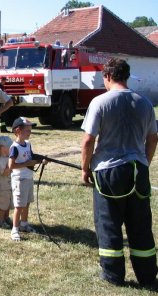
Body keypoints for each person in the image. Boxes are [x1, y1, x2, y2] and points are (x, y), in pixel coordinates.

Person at [81, 58, 158, 286]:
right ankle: (147, 275)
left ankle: (113, 275)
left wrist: (85, 169)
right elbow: (153, 137)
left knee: (108, 222)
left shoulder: (100, 102)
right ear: (126, 76)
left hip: (108, 171)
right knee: (140, 223)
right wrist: (145, 161)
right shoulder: (144, 102)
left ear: (107, 76)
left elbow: (88, 140)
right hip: (137, 169)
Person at [9, 117, 44, 241]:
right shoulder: (14, 147)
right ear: (18, 131)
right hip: (19, 180)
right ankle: (15, 229)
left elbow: (31, 157)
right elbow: (11, 166)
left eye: (30, 130)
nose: (30, 133)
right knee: (19, 206)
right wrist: (27, 163)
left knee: (27, 203)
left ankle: (24, 224)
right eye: (27, 130)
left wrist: (40, 161)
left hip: (28, 178)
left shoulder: (28, 144)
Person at [0, 135, 14, 228]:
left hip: (10, 186)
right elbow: (5, 173)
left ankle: (6, 217)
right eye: (10, 147)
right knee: (3, 204)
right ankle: (1, 220)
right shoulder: (1, 160)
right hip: (3, 187)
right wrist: (11, 164)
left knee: (8, 203)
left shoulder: (8, 158)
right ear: (2, 148)